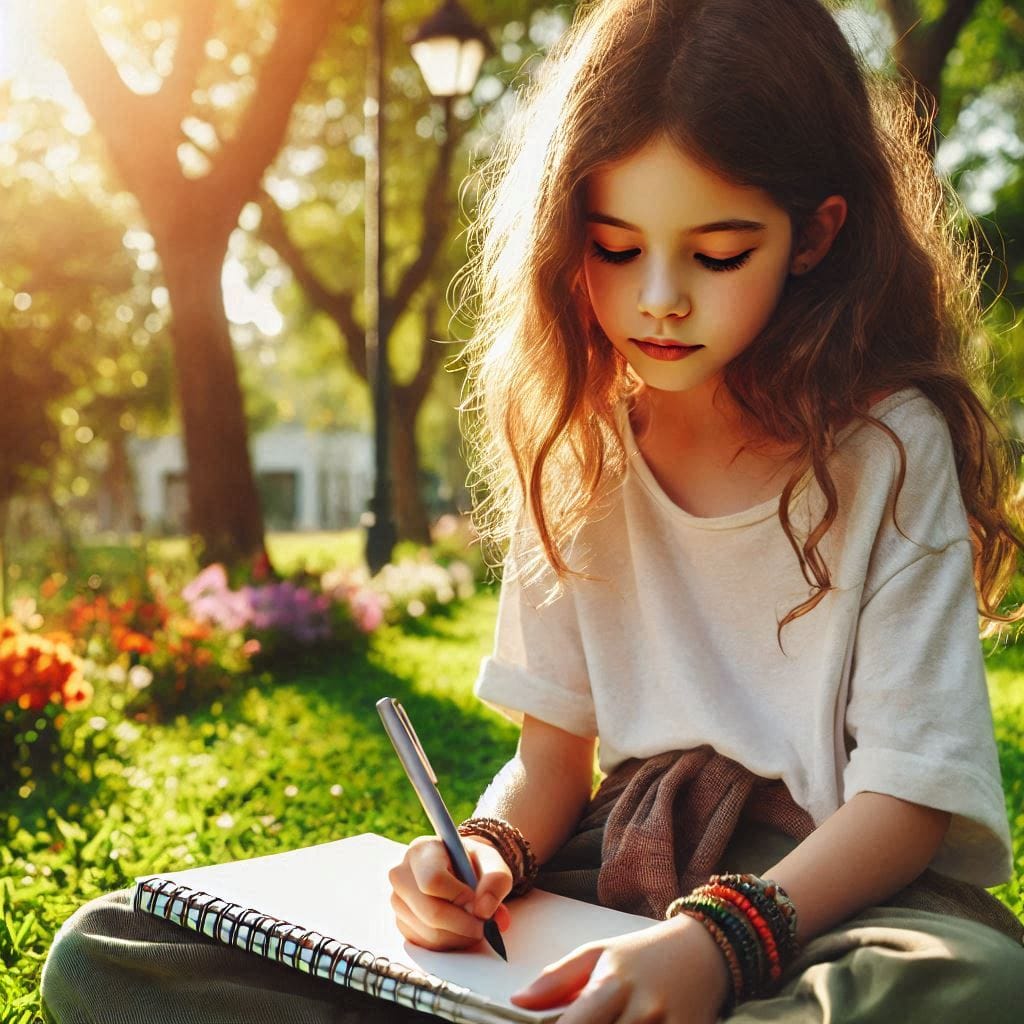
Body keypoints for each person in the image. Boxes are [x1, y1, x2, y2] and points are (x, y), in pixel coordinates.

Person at [40, 1, 1024, 1022]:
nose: (659, 298)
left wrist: (715, 945)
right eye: (613, 246)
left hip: (825, 885)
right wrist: (486, 855)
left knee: (973, 986)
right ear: (568, 234)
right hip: (615, 863)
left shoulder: (886, 443)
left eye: (718, 253)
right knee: (110, 949)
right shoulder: (580, 436)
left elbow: (906, 802)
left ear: (816, 234)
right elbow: (548, 763)